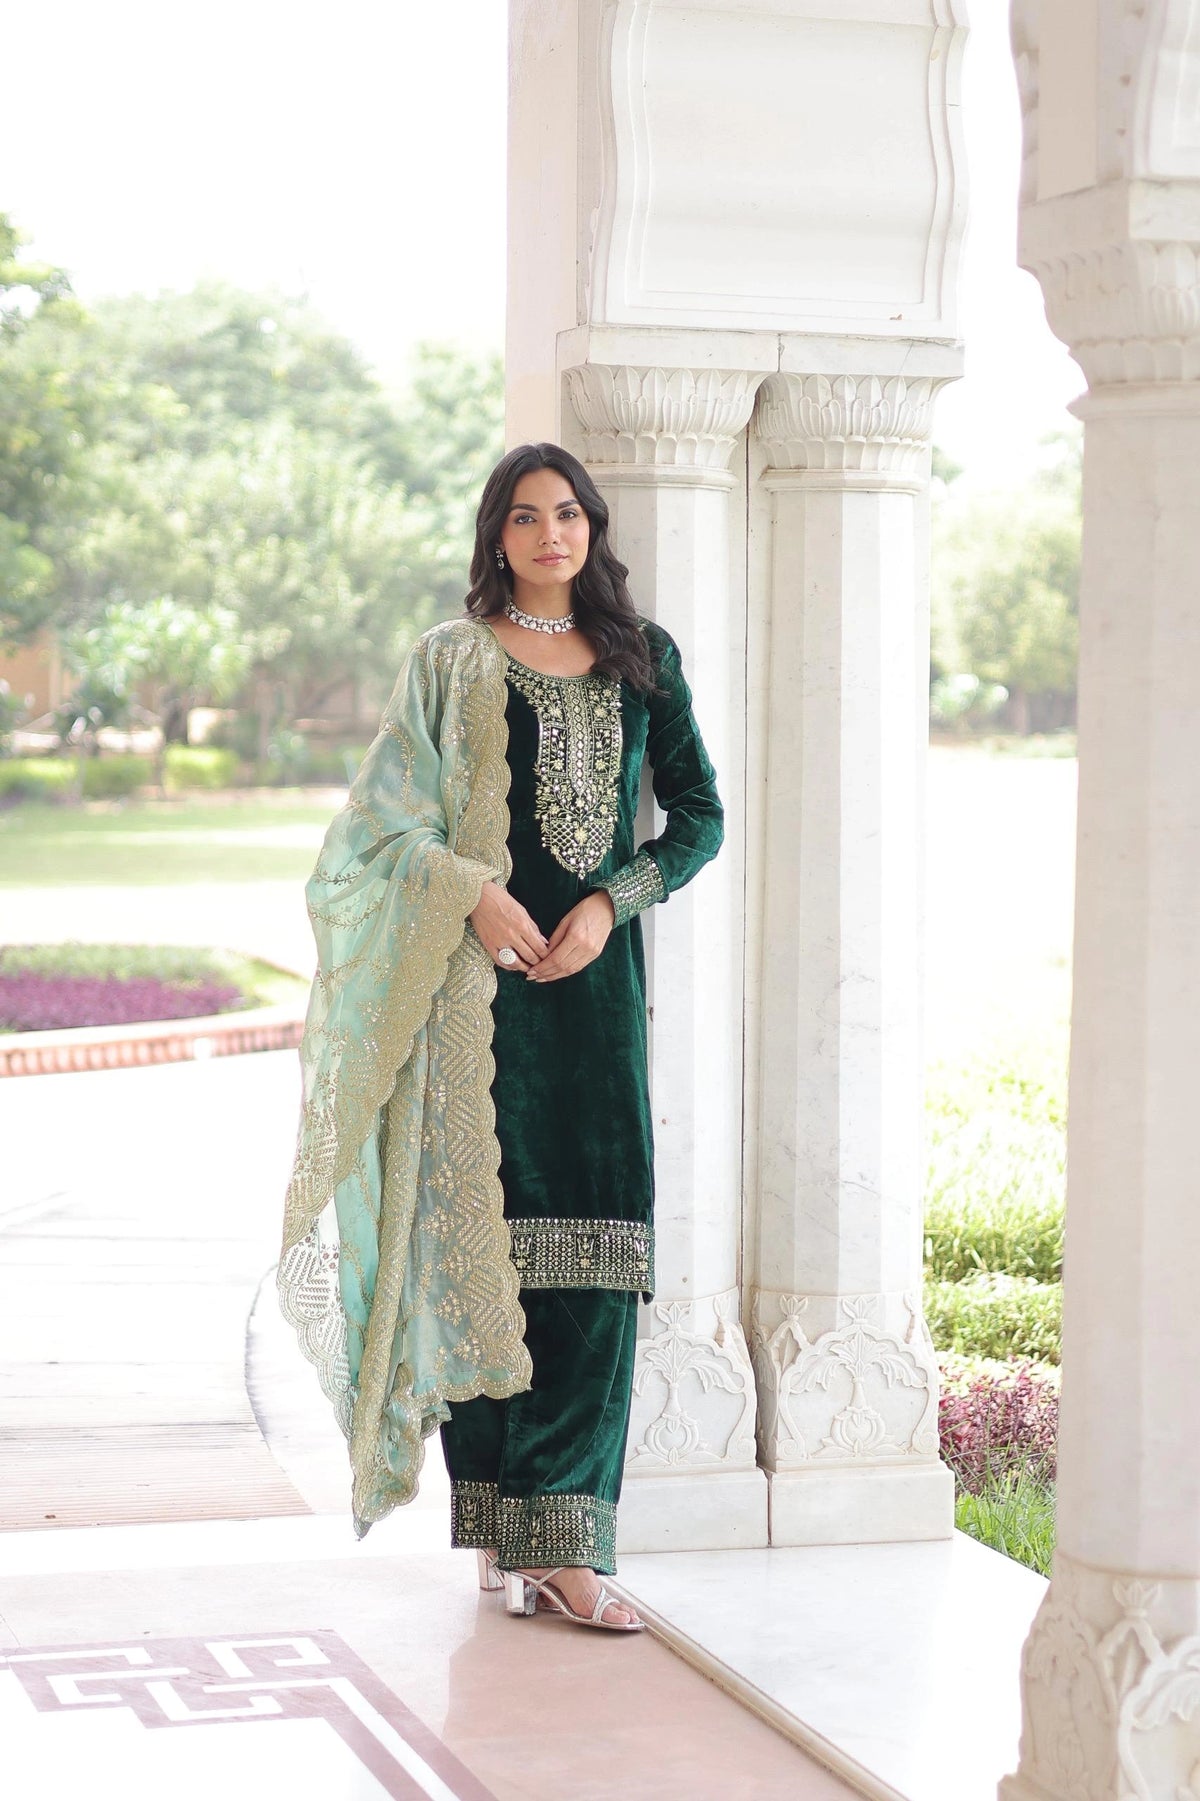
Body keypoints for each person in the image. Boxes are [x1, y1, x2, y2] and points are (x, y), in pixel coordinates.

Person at [279, 441, 724, 1634]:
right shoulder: (452, 661)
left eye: (568, 514)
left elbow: (699, 817)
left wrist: (609, 902)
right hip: (474, 1007)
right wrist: (470, 887)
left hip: (593, 1001)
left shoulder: (644, 662)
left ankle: (570, 1543)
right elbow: (375, 829)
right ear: (497, 536)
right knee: (485, 1260)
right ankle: (506, 1533)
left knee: (595, 1264)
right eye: (526, 518)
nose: (550, 535)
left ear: (592, 529)